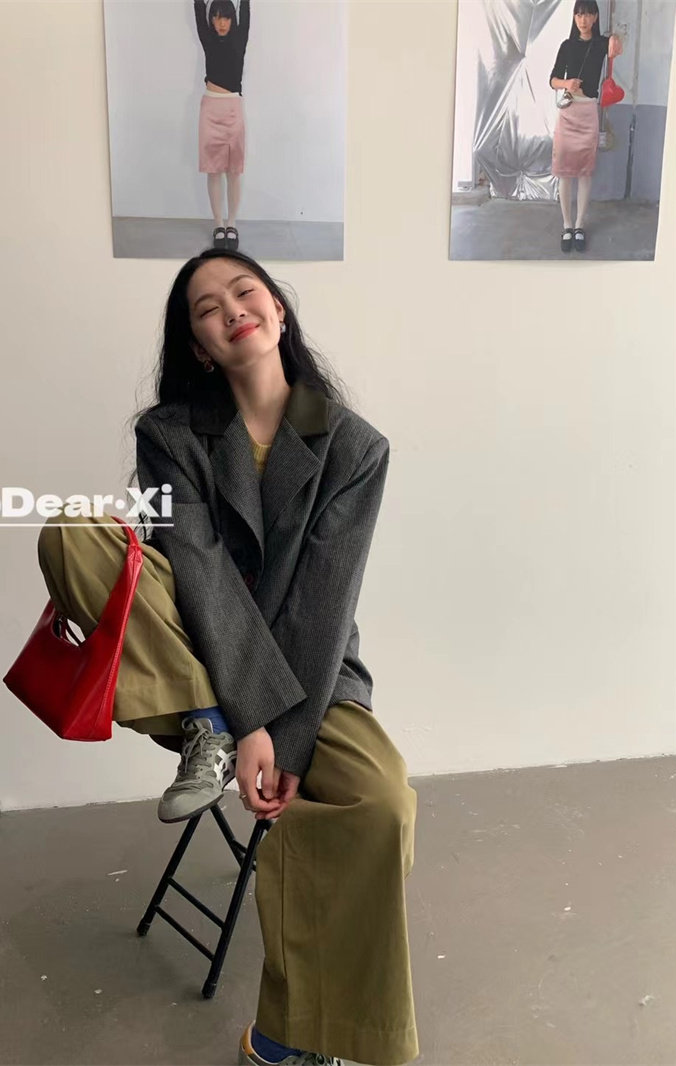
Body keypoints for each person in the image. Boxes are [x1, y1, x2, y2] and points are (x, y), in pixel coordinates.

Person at [37, 248, 419, 1066]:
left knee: (381, 800)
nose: (231, 309)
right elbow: (197, 565)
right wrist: (238, 719)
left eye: (245, 292)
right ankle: (204, 724)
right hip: (187, 655)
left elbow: (323, 600)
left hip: (310, 672)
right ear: (200, 347)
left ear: (279, 310)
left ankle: (303, 1030)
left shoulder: (353, 446)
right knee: (73, 529)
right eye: (207, 308)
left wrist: (280, 741)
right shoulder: (170, 433)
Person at [549, 0, 622, 253]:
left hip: (589, 111)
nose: (583, 19)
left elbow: (616, 45)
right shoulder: (566, 46)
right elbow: (552, 79)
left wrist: (615, 37)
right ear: (574, 17)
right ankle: (567, 225)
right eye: (578, 14)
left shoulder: (601, 43)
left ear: (595, 17)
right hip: (568, 113)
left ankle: (579, 225)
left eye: (588, 14)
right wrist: (566, 83)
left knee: (584, 171)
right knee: (564, 171)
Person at [194, 0, 250, 251]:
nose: (221, 23)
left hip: (233, 108)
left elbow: (245, 8)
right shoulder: (207, 39)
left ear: (232, 19)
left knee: (234, 171)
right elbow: (198, 8)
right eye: (216, 17)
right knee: (214, 170)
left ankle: (231, 224)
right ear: (211, 20)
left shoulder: (240, 39)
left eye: (226, 17)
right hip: (210, 108)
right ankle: (218, 224)